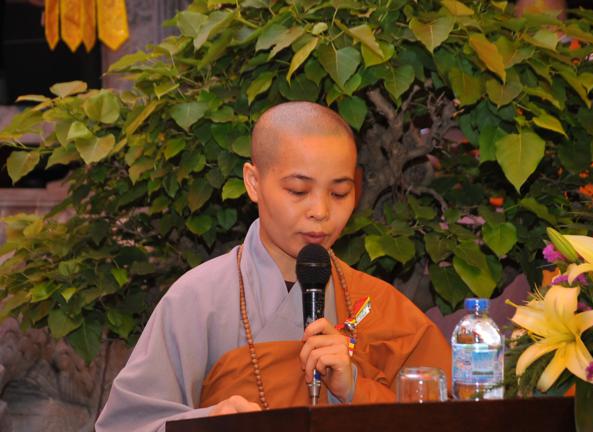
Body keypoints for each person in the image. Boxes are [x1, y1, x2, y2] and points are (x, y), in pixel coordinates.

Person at [95, 101, 451, 432]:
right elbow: (123, 426)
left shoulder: (378, 306)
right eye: (298, 190)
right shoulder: (198, 299)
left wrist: (354, 388)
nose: (321, 211)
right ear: (254, 183)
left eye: (339, 193)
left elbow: (450, 419)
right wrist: (208, 423)